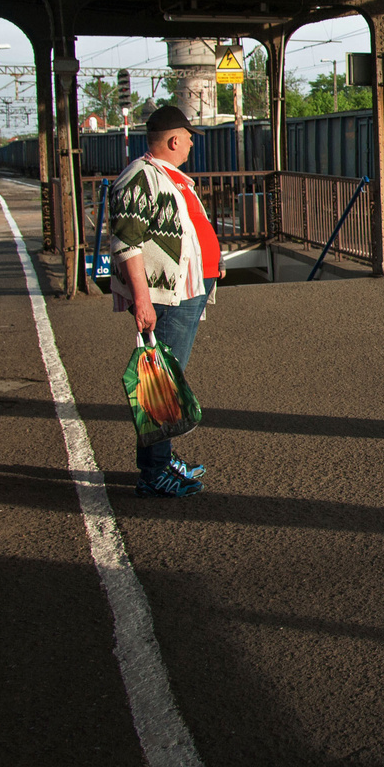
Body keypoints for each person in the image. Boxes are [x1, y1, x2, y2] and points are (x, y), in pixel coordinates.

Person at [108, 105, 224, 497]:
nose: (192, 143)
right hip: (164, 299)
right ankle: (153, 472)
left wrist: (211, 263)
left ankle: (163, 458)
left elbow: (182, 232)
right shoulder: (140, 178)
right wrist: (141, 300)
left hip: (187, 291)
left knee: (168, 382)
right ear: (174, 140)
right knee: (161, 388)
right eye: (189, 137)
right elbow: (127, 244)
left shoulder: (166, 177)